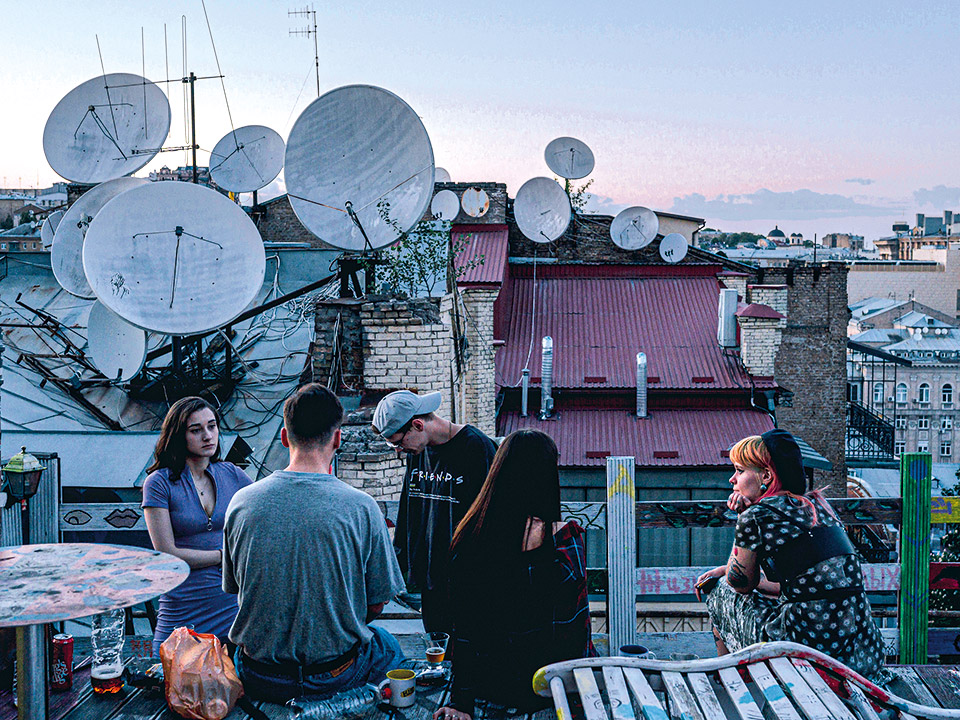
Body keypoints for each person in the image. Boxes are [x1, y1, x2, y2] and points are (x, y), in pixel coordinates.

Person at [223, 383, 406, 703]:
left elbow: (238, 590)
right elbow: (376, 605)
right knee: (387, 645)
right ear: (337, 438)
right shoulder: (362, 507)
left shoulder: (242, 502)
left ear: (283, 436)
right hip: (334, 675)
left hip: (259, 674)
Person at [695, 429, 888, 683]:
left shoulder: (756, 515)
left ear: (765, 475)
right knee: (735, 586)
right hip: (861, 653)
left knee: (718, 589)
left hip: (804, 652)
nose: (733, 479)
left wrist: (742, 518)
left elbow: (740, 584)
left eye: (740, 470)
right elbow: (807, 588)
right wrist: (725, 568)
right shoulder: (819, 506)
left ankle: (730, 684)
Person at [434, 430, 596, 720]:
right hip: (552, 686)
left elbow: (465, 630)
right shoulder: (564, 541)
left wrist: (460, 702)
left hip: (492, 687)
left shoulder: (469, 539)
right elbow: (577, 627)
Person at [373, 390, 496, 633]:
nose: (397, 450)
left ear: (417, 425)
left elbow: (492, 518)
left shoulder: (478, 448)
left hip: (470, 582)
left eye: (398, 442)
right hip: (432, 582)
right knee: (437, 650)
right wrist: (401, 565)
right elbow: (410, 509)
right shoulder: (417, 451)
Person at [142, 397, 253, 656]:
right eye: (196, 430)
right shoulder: (159, 483)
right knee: (170, 680)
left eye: (212, 426)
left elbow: (268, 509)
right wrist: (222, 557)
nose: (207, 436)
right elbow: (166, 552)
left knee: (231, 686)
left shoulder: (232, 474)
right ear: (178, 435)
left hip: (230, 606)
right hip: (183, 605)